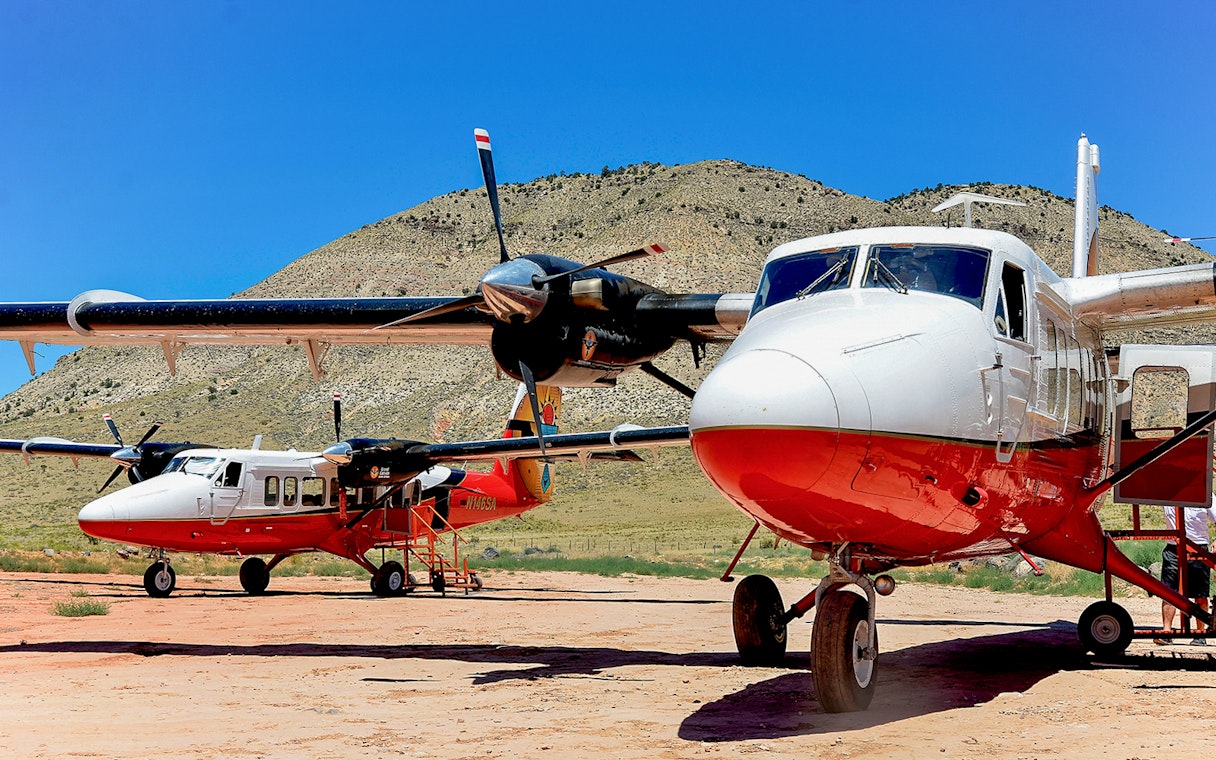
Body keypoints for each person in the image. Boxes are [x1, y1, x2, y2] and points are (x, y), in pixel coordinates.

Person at [1158, 504, 1216, 645]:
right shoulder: (1167, 494)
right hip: (1173, 546)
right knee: (1169, 592)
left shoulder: (1206, 494)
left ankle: (1200, 635)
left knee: (1200, 594)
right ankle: (1166, 632)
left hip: (1198, 545)